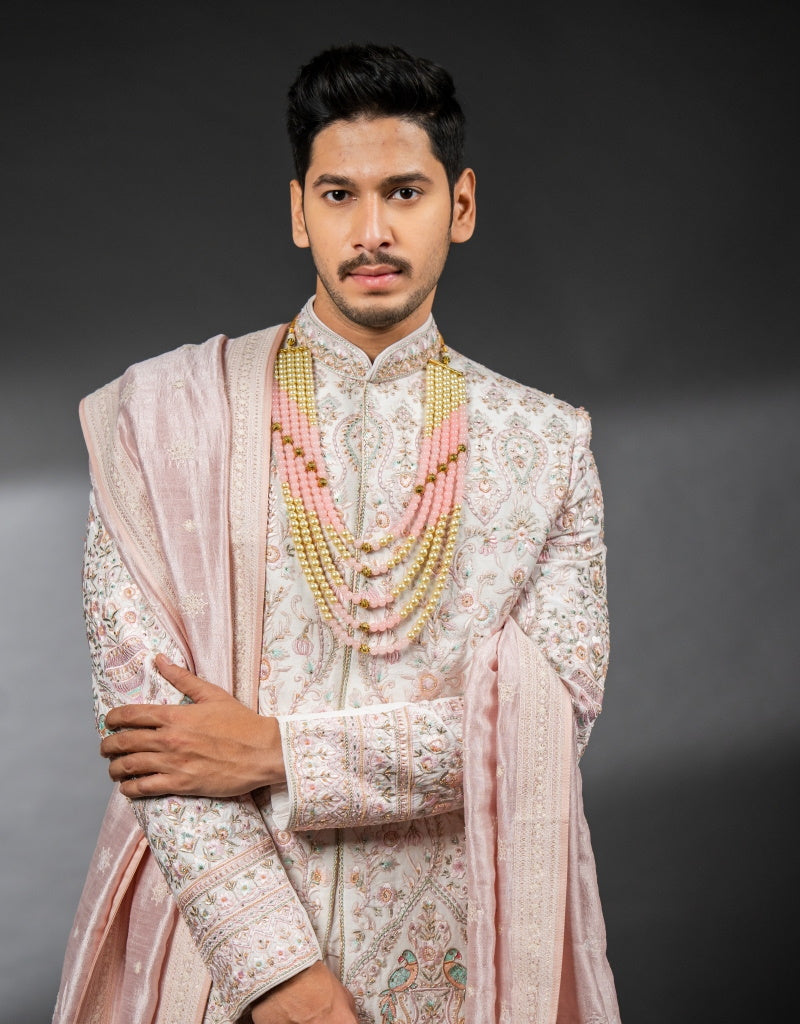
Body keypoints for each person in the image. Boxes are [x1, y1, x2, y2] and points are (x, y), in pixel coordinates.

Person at [54, 43, 620, 1024]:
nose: (370, 231)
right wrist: (288, 986)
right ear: (296, 211)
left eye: (403, 192)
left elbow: (544, 734)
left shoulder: (546, 445)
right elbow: (160, 744)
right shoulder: (162, 423)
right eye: (337, 195)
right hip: (222, 973)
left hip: (460, 974)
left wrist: (275, 751)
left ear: (461, 205)